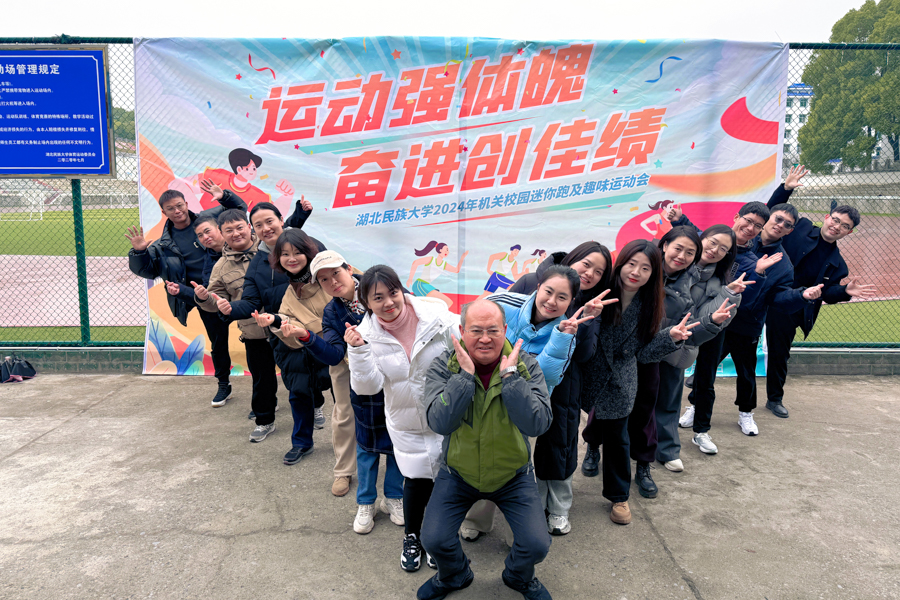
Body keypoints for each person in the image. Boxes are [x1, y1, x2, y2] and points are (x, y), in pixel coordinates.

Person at [463, 261, 610, 539]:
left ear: (571, 301)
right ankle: (477, 519)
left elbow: (545, 379)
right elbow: (470, 332)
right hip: (485, 399)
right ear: (538, 286)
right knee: (480, 461)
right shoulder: (503, 303)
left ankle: (516, 531)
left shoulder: (566, 331)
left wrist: (561, 338)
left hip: (523, 406)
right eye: (549, 292)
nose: (552, 302)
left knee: (515, 468)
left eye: (562, 297)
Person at [419, 299, 554, 600]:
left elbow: (538, 424)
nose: (484, 338)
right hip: (458, 472)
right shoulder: (445, 365)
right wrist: (464, 379)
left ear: (505, 330)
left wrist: (511, 378)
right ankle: (454, 574)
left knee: (536, 545)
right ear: (462, 331)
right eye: (476, 330)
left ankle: (518, 576)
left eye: (493, 330)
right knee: (434, 539)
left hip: (513, 474)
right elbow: (439, 422)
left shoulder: (525, 364)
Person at [680, 202, 824, 442]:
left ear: (790, 231)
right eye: (778, 219)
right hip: (716, 318)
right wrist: (678, 219)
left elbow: (778, 298)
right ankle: (695, 408)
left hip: (747, 324)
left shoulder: (782, 263)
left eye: (787, 225)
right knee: (705, 369)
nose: (780, 225)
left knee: (746, 373)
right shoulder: (734, 242)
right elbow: (701, 236)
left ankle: (745, 413)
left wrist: (801, 295)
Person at [346, 266, 458, 573]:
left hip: (445, 416)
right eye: (377, 297)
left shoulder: (437, 317)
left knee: (446, 481)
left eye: (393, 292)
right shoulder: (366, 335)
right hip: (405, 422)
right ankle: (412, 537)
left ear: (402, 290)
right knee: (415, 480)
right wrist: (358, 351)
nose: (388, 302)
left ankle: (437, 539)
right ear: (366, 303)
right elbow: (367, 387)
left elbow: (466, 347)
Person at [580, 240, 697, 525]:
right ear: (620, 263)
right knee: (567, 429)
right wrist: (587, 315)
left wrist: (670, 338)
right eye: (631, 264)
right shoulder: (598, 290)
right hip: (586, 371)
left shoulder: (650, 304)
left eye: (645, 268)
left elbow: (643, 354)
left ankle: (619, 496)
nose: (636, 272)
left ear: (653, 273)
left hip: (622, 377)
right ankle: (558, 488)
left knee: (618, 439)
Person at [763, 166, 875, 417]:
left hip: (790, 307)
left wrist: (845, 291)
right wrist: (786, 188)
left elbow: (828, 294)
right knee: (733, 336)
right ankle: (702, 376)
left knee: (780, 354)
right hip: (762, 290)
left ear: (849, 232)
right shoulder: (801, 226)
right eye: (835, 220)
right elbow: (771, 214)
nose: (837, 226)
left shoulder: (838, 264)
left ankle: (774, 399)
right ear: (826, 217)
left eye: (844, 226)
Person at [125, 181, 246, 407]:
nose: (177, 211)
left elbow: (239, 212)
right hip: (205, 298)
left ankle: (266, 386)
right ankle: (224, 384)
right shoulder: (163, 244)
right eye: (170, 208)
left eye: (179, 205)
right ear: (164, 212)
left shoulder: (208, 219)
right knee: (218, 343)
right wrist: (139, 252)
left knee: (256, 336)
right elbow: (147, 270)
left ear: (186, 204)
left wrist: (224, 197)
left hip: (238, 289)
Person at [666, 202, 770, 460]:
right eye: (748, 221)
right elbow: (693, 232)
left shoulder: (746, 260)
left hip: (712, 323)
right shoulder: (683, 260)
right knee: (668, 380)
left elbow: (745, 296)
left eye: (758, 226)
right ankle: (666, 430)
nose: (716, 250)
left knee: (706, 377)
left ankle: (702, 429)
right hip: (674, 327)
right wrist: (679, 219)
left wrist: (751, 279)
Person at [298, 252, 399, 506]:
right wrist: (307, 337)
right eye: (324, 279)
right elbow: (334, 355)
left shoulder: (376, 284)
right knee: (346, 415)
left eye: (336, 273)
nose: (332, 281)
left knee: (400, 414)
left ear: (349, 269)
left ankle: (400, 486)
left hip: (394, 360)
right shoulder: (332, 312)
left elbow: (406, 307)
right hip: (352, 365)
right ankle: (346, 473)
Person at [215, 199, 317, 441]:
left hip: (312, 327)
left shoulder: (308, 244)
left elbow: (332, 274)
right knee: (281, 382)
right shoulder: (258, 262)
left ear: (281, 220)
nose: (265, 228)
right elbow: (250, 300)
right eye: (258, 225)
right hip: (277, 329)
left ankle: (318, 409)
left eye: (270, 221)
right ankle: (272, 425)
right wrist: (229, 309)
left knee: (315, 379)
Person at [251, 230, 332, 467]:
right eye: (285, 254)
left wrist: (306, 327)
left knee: (345, 399)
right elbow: (286, 317)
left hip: (333, 349)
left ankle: (353, 444)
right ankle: (301, 443)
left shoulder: (327, 279)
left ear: (309, 253)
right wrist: (274, 320)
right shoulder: (288, 288)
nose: (291, 258)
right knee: (298, 395)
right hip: (297, 350)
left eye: (297, 252)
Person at [195, 210, 273, 426]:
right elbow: (216, 301)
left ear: (249, 227)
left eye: (240, 227)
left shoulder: (272, 249)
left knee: (300, 375)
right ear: (221, 233)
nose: (236, 233)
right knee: (262, 379)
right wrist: (204, 298)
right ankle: (265, 416)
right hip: (253, 331)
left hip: (284, 326)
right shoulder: (220, 267)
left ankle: (314, 408)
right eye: (229, 230)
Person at [406, 241, 469, 309]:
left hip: (426, 286)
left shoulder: (443, 264)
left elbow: (456, 270)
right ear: (440, 250)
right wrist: (410, 279)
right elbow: (415, 262)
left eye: (448, 250)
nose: (447, 252)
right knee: (447, 302)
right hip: (420, 285)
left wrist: (462, 257)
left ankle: (413, 298)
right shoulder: (431, 259)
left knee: (447, 303)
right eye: (446, 249)